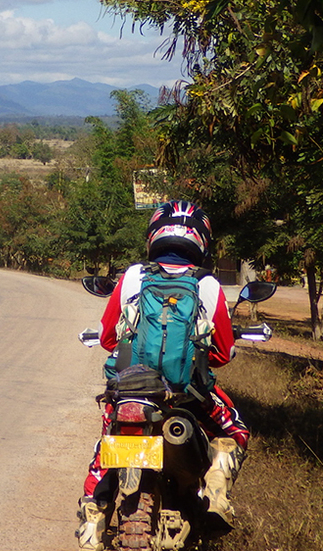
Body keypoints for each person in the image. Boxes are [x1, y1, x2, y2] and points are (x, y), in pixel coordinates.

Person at [77, 201, 249, 551]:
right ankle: (216, 492)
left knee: (108, 441)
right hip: (186, 395)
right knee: (236, 431)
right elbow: (221, 355)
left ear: (154, 234)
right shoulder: (208, 284)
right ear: (202, 239)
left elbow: (108, 339)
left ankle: (93, 516)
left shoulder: (132, 277)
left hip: (130, 392)